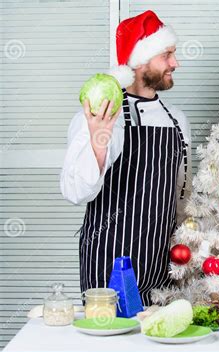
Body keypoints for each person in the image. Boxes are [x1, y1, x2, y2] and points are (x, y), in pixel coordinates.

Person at [61, 10, 192, 305]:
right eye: (167, 55)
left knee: (161, 345)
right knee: (111, 348)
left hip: (162, 265)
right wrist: (99, 140)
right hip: (108, 264)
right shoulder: (103, 113)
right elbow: (75, 192)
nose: (175, 63)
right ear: (139, 61)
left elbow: (182, 194)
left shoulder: (177, 120)